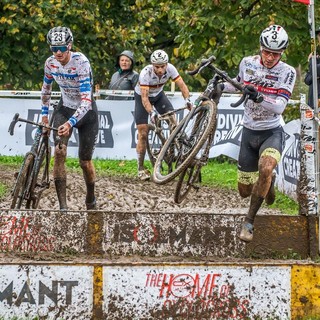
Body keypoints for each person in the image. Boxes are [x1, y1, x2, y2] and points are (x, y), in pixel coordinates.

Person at [218, 25, 296, 242]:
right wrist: (220, 87)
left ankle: (249, 222)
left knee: (266, 167)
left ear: (282, 53)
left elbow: (280, 106)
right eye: (266, 52)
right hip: (249, 132)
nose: (270, 57)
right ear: (260, 47)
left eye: (275, 54)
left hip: (272, 131)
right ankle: (267, 184)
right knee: (244, 190)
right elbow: (238, 85)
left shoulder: (287, 72)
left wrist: (259, 96)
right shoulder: (247, 63)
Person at [41, 26, 99, 211]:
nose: (58, 52)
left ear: (70, 46)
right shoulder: (50, 63)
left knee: (85, 162)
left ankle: (90, 198)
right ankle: (63, 207)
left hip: (86, 112)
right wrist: (43, 115)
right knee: (59, 152)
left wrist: (71, 123)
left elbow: (86, 100)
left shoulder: (81, 62)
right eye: (53, 48)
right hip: (64, 108)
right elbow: (46, 90)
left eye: (62, 48)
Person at [134, 49, 192, 181]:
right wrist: (152, 113)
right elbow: (144, 99)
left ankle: (171, 149)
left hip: (159, 96)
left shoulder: (171, 69)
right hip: (143, 97)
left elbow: (182, 86)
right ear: (152, 65)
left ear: (166, 64)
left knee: (173, 122)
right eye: (157, 67)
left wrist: (187, 100)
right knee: (142, 133)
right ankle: (141, 168)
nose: (160, 70)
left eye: (162, 66)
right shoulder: (145, 74)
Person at [304, 27, 320, 109]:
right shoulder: (317, 55)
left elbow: (316, 70)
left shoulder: (314, 58)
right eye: (319, 36)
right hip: (313, 104)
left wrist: (310, 60)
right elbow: (307, 80)